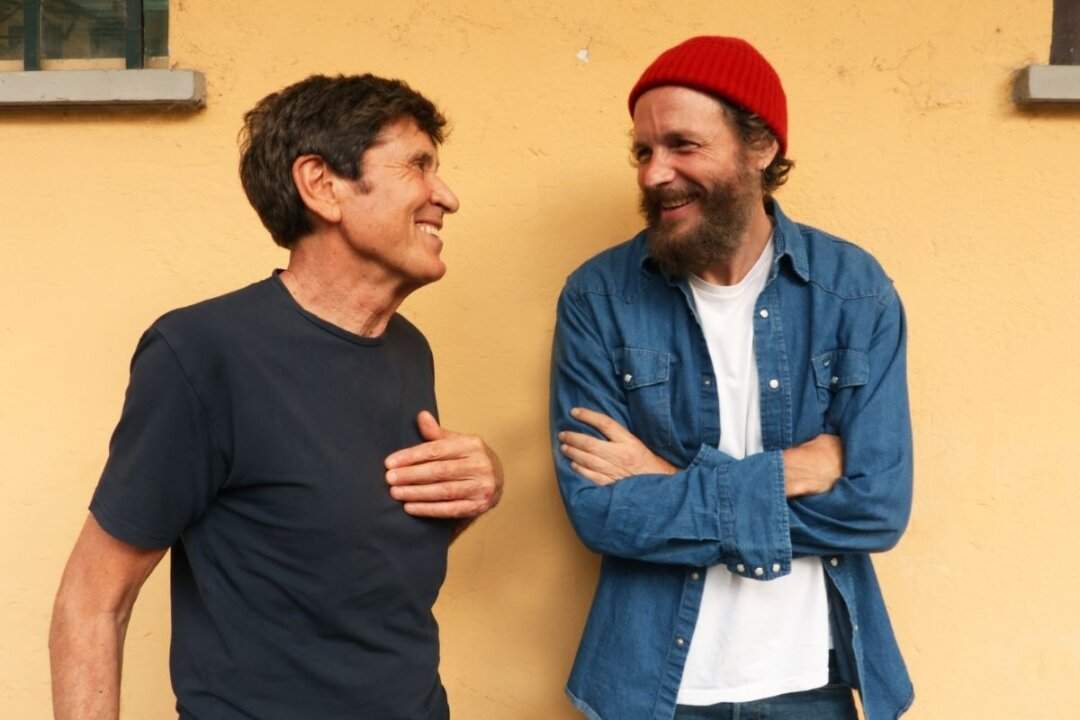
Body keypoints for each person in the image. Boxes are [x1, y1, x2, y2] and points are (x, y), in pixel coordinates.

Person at [49, 74, 503, 720]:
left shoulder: (409, 349)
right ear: (322, 185)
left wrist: (480, 484)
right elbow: (93, 601)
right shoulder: (201, 353)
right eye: (418, 166)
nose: (446, 196)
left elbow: (350, 555)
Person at [551, 36, 913, 720]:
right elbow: (600, 513)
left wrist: (665, 480)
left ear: (761, 147)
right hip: (652, 689)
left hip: (812, 683)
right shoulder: (598, 298)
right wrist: (790, 472)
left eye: (683, 145)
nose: (655, 174)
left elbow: (877, 507)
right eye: (643, 151)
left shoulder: (853, 291)